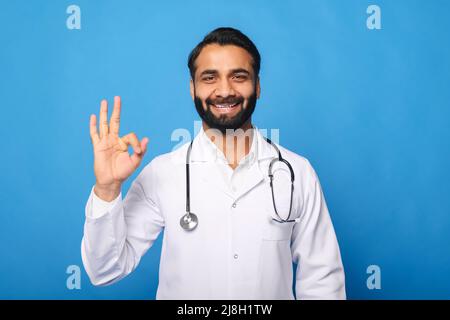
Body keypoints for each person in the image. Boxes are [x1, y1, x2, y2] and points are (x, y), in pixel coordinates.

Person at [81, 27, 346, 299]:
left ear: (257, 86)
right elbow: (105, 271)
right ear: (192, 88)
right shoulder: (162, 173)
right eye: (210, 78)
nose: (224, 90)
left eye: (238, 77)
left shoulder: (296, 173)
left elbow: (321, 282)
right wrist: (107, 189)